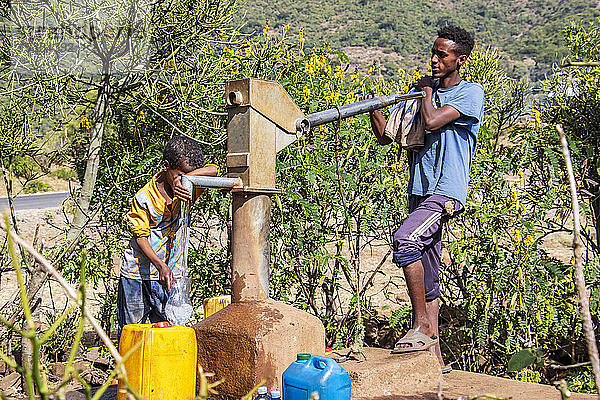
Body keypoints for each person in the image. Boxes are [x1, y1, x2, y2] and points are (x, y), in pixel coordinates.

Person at [369, 25, 484, 372]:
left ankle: (420, 325)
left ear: (459, 60)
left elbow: (433, 121)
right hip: (420, 190)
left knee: (405, 239)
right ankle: (435, 362)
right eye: (433, 53)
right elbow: (387, 137)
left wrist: (424, 94)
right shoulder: (423, 92)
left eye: (442, 55)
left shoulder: (469, 93)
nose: (434, 60)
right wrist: (377, 109)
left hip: (445, 192)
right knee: (429, 272)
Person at [117, 135, 218, 337]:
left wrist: (187, 179)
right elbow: (140, 237)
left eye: (190, 176)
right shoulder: (145, 198)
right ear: (165, 166)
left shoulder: (189, 189)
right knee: (132, 333)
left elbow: (214, 169)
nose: (185, 181)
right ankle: (128, 369)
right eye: (180, 175)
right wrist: (160, 265)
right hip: (138, 274)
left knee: (169, 330)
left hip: (171, 275)